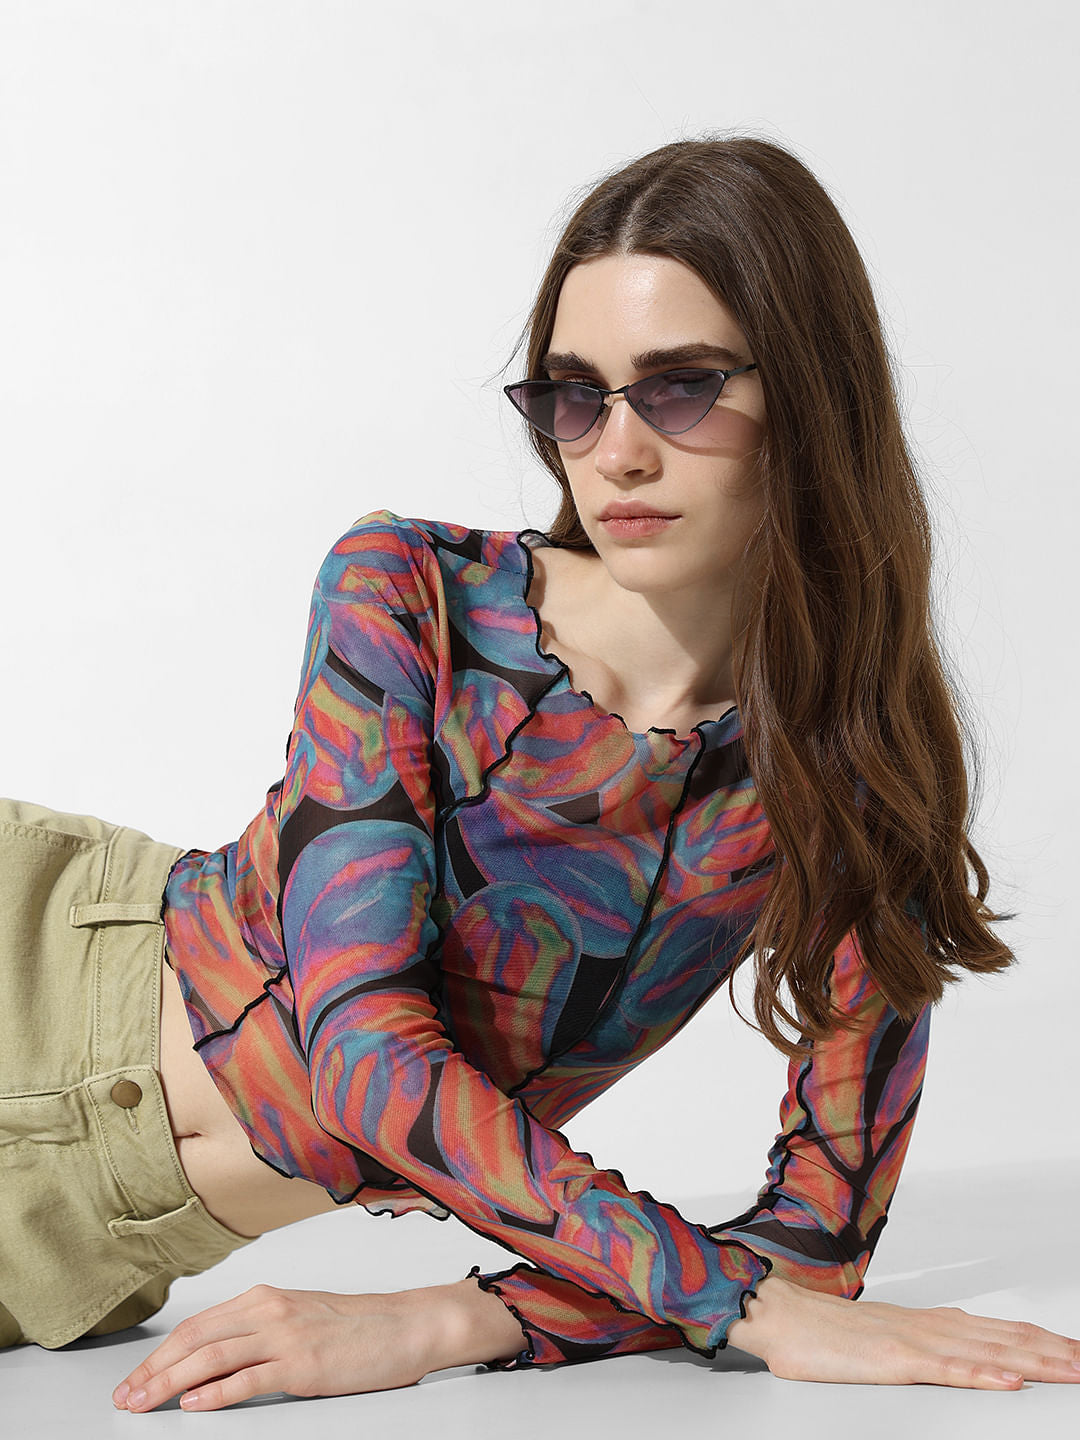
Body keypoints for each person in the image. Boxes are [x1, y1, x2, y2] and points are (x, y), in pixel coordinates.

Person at [2, 134, 1077, 1414]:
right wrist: (739, 1306)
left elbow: (818, 1239)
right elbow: (362, 1051)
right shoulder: (412, 590)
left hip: (84, 1244)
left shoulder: (847, 782)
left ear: (812, 395)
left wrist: (457, 1316)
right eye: (575, 396)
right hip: (39, 968)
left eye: (680, 388)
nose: (617, 452)